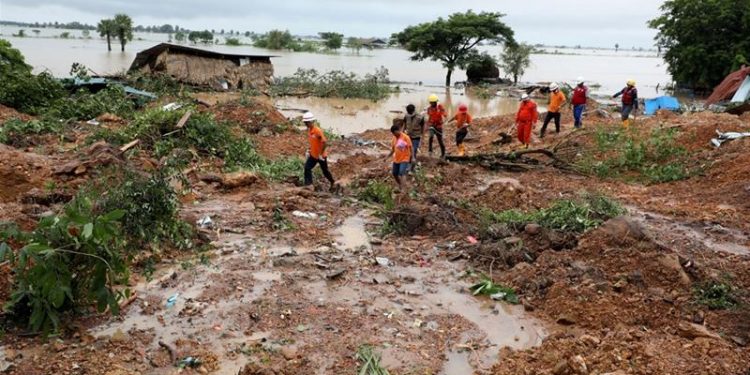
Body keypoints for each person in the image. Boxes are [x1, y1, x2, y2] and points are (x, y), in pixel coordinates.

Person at [302, 112, 335, 189]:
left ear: (311, 122)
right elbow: (314, 142)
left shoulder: (317, 131)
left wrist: (321, 154)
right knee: (307, 168)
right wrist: (310, 149)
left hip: (321, 156)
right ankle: (309, 184)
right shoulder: (310, 130)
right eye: (305, 123)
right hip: (313, 155)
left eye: (306, 123)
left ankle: (332, 182)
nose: (306, 124)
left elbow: (324, 142)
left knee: (325, 171)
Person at [387, 124, 413, 191]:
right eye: (394, 134)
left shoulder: (405, 137)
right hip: (397, 159)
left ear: (398, 131)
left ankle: (403, 189)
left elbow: (411, 147)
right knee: (394, 173)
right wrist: (387, 157)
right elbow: (393, 150)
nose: (395, 135)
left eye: (395, 133)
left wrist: (412, 157)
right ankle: (400, 185)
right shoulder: (394, 138)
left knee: (402, 172)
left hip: (405, 158)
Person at [426, 94, 447, 158]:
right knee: (430, 138)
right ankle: (430, 151)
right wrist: (428, 124)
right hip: (432, 126)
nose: (431, 103)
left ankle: (443, 153)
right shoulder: (429, 108)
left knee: (440, 140)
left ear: (435, 102)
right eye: (430, 102)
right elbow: (429, 116)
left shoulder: (439, 107)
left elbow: (444, 113)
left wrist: (444, 115)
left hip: (438, 126)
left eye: (432, 102)